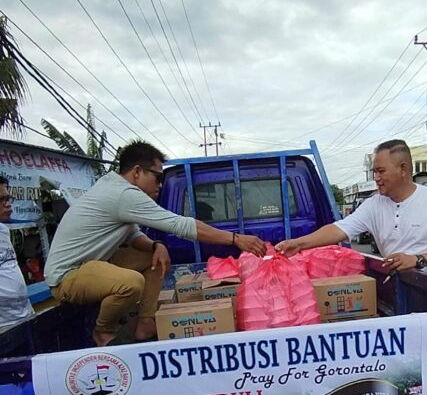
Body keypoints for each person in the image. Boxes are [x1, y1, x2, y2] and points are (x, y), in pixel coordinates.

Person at [43, 140, 266, 346]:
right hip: (68, 275)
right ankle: (103, 331)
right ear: (137, 172)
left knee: (156, 258)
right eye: (157, 177)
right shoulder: (124, 195)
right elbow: (180, 225)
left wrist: (155, 246)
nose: (159, 184)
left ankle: (146, 323)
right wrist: (236, 238)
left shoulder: (114, 188)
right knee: (131, 283)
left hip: (94, 265)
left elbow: (131, 235)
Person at [276, 139, 427, 278]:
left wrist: (417, 260)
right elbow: (339, 229)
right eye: (374, 172)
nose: (376, 178)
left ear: (403, 169)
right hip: (398, 284)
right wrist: (298, 244)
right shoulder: (373, 205)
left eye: (381, 171)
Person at [0, 175, 34, 333]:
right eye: (1, 200)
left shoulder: (3, 231)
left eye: (7, 198)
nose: (7, 204)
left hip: (26, 316)